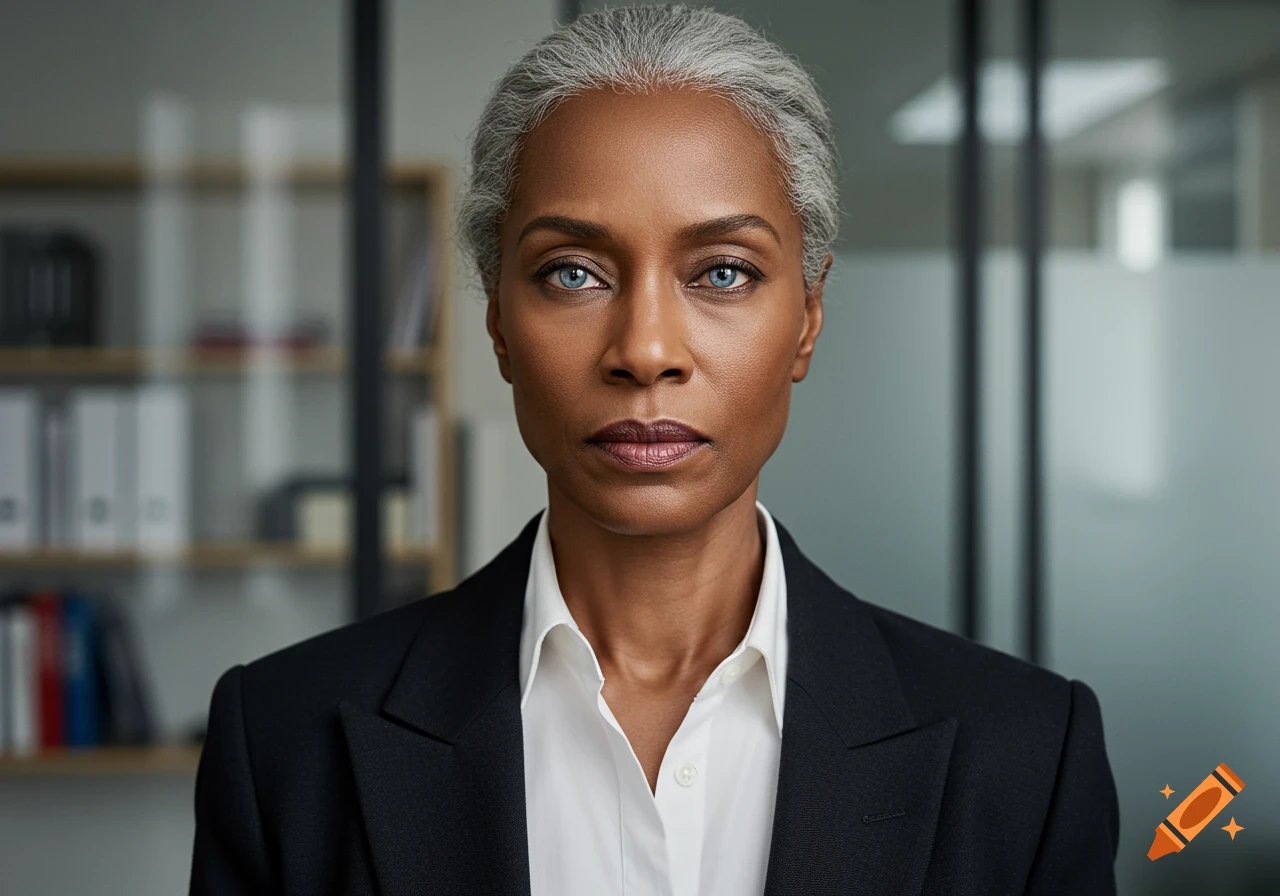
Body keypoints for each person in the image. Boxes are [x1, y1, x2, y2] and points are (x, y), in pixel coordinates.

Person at [188, 5, 1120, 894]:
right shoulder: (283, 741)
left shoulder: (1026, 755)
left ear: (808, 317)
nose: (644, 350)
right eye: (573, 273)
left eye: (723, 272)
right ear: (500, 320)